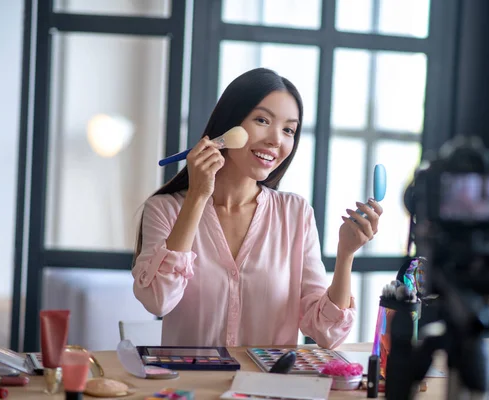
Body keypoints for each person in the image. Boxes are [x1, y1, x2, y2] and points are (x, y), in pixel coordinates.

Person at [132, 68, 383, 349]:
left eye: (289, 129)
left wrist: (346, 254)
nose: (276, 139)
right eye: (262, 120)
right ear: (229, 125)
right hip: (190, 388)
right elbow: (157, 301)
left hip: (270, 388)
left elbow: (326, 333)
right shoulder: (164, 210)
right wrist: (197, 197)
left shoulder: (295, 213)